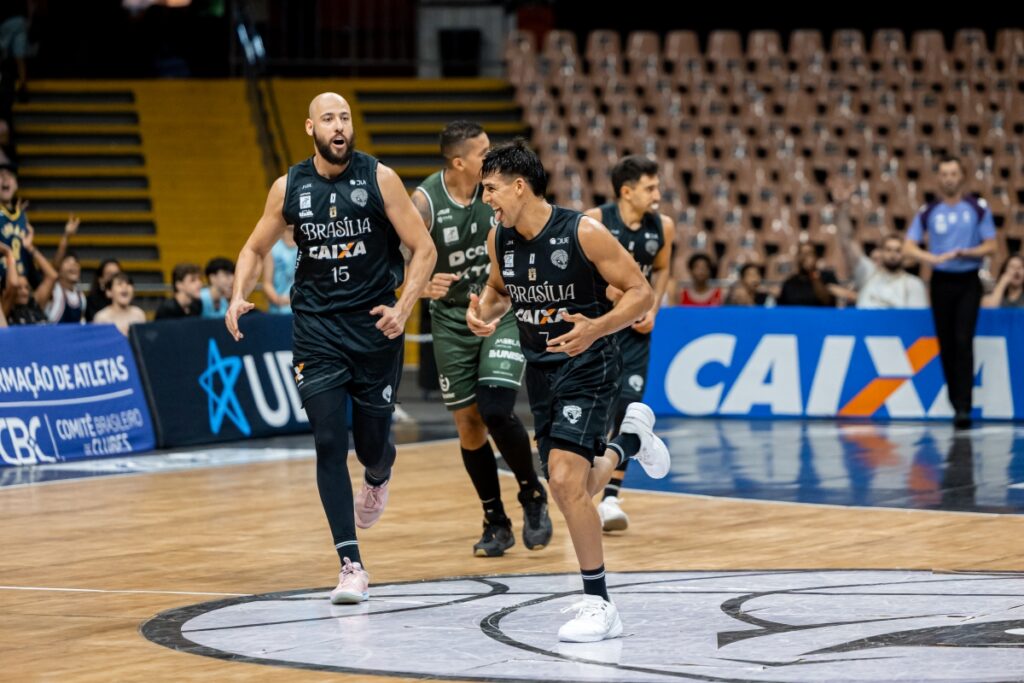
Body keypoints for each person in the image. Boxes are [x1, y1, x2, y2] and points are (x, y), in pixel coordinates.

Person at [225, 93, 436, 605]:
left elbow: (423, 247)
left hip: (374, 328)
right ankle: (351, 564)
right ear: (310, 128)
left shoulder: (379, 178)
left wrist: (405, 305)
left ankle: (379, 475)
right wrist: (237, 294)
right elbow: (254, 248)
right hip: (316, 331)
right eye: (328, 119)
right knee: (326, 439)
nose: (339, 126)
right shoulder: (289, 187)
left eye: (344, 118)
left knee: (370, 447)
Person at [467, 139, 670, 642]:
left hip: (591, 363)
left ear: (520, 186)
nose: (485, 198)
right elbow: (497, 291)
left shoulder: (584, 232)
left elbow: (641, 292)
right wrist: (483, 313)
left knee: (561, 481)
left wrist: (598, 328)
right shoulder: (500, 239)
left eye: (490, 189)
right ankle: (632, 443)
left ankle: (599, 603)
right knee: (573, 487)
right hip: (541, 371)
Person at [411, 121, 551, 557]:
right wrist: (415, 283)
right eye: (482, 151)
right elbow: (391, 254)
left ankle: (532, 494)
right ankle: (495, 520)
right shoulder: (425, 201)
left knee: (495, 407)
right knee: (469, 424)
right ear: (458, 162)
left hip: (500, 307)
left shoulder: (502, 192)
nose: (490, 158)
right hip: (451, 318)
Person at [583, 155, 675, 533]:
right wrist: (621, 302)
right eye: (650, 187)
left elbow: (663, 267)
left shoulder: (664, 226)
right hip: (602, 327)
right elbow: (584, 272)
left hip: (638, 333)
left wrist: (653, 305)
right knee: (597, 412)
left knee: (627, 411)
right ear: (626, 191)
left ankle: (609, 499)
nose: (657, 194)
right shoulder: (596, 221)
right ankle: (584, 488)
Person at [903, 156, 997, 429]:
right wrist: (929, 258)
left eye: (953, 173)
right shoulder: (929, 211)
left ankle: (964, 406)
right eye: (944, 174)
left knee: (962, 340)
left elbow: (991, 245)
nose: (949, 179)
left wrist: (968, 252)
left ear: (962, 176)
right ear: (939, 178)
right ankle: (955, 402)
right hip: (941, 280)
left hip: (968, 279)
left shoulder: (976, 208)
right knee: (945, 343)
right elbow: (909, 246)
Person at [831, 180, 927, 309]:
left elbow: (916, 324)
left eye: (898, 250)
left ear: (904, 255)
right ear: (881, 252)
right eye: (888, 250)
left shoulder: (914, 285)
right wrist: (843, 208)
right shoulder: (867, 275)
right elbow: (847, 241)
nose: (893, 254)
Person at [1, 228, 54, 326]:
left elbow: (52, 276)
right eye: (19, 288)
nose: (24, 291)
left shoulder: (35, 303)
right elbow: (13, 284)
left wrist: (30, 248)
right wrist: (8, 253)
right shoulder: (5, 311)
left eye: (27, 287)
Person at [42, 214, 86, 323]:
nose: (73, 265)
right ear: (59, 270)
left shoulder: (81, 298)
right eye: (68, 262)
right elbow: (54, 266)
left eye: (76, 263)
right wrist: (66, 235)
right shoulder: (53, 290)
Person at [262, 229, 297, 314]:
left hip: (301, 308)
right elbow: (267, 284)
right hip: (277, 309)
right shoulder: (272, 248)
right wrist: (278, 300)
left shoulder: (307, 246)